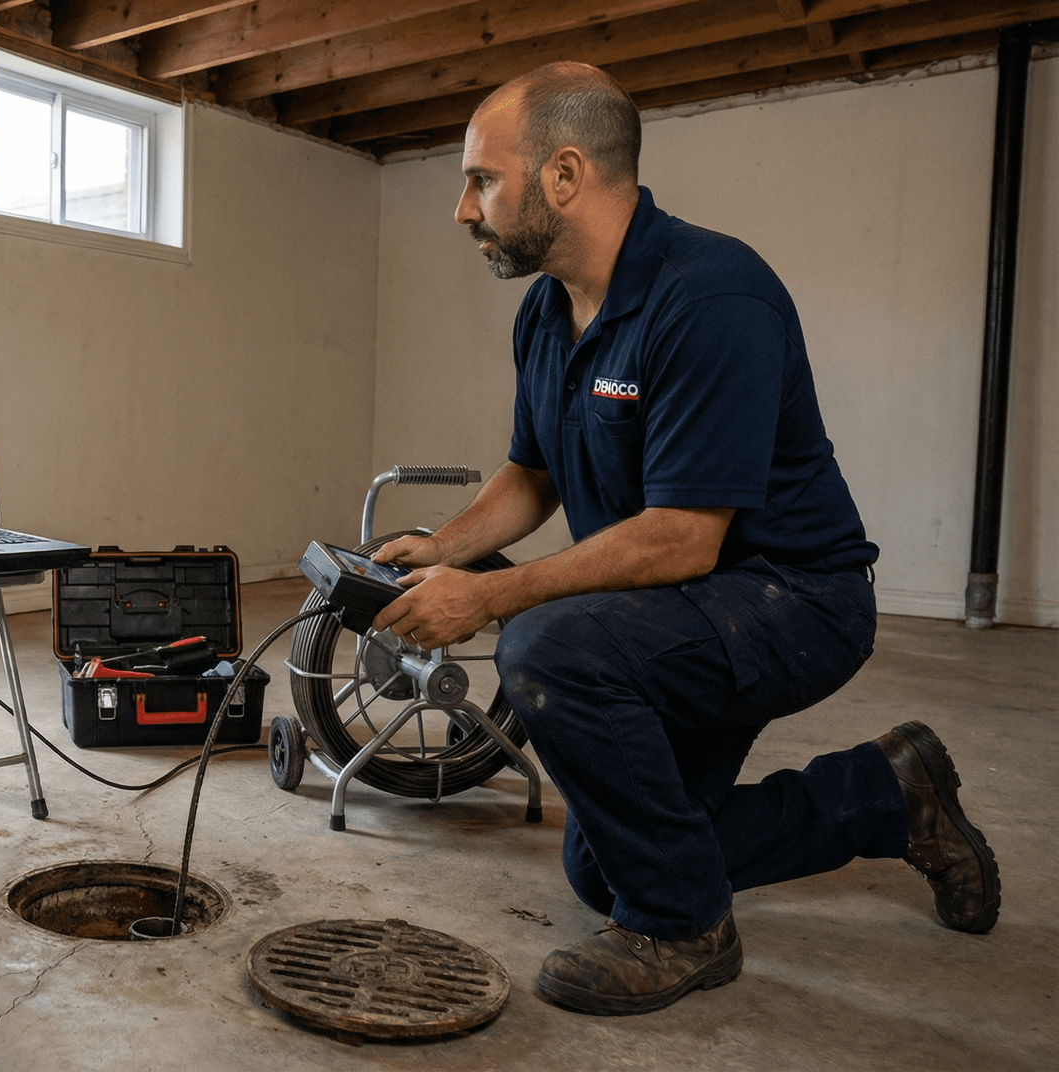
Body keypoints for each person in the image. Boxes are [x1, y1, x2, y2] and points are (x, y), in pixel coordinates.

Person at [370, 61, 1001, 1017]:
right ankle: (885, 793)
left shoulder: (712, 297)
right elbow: (534, 472)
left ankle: (684, 931)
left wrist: (492, 598)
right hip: (675, 612)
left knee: (547, 649)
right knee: (603, 869)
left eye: (481, 179)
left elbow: (681, 541)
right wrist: (448, 547)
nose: (463, 209)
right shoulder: (547, 311)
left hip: (792, 601)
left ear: (565, 174)